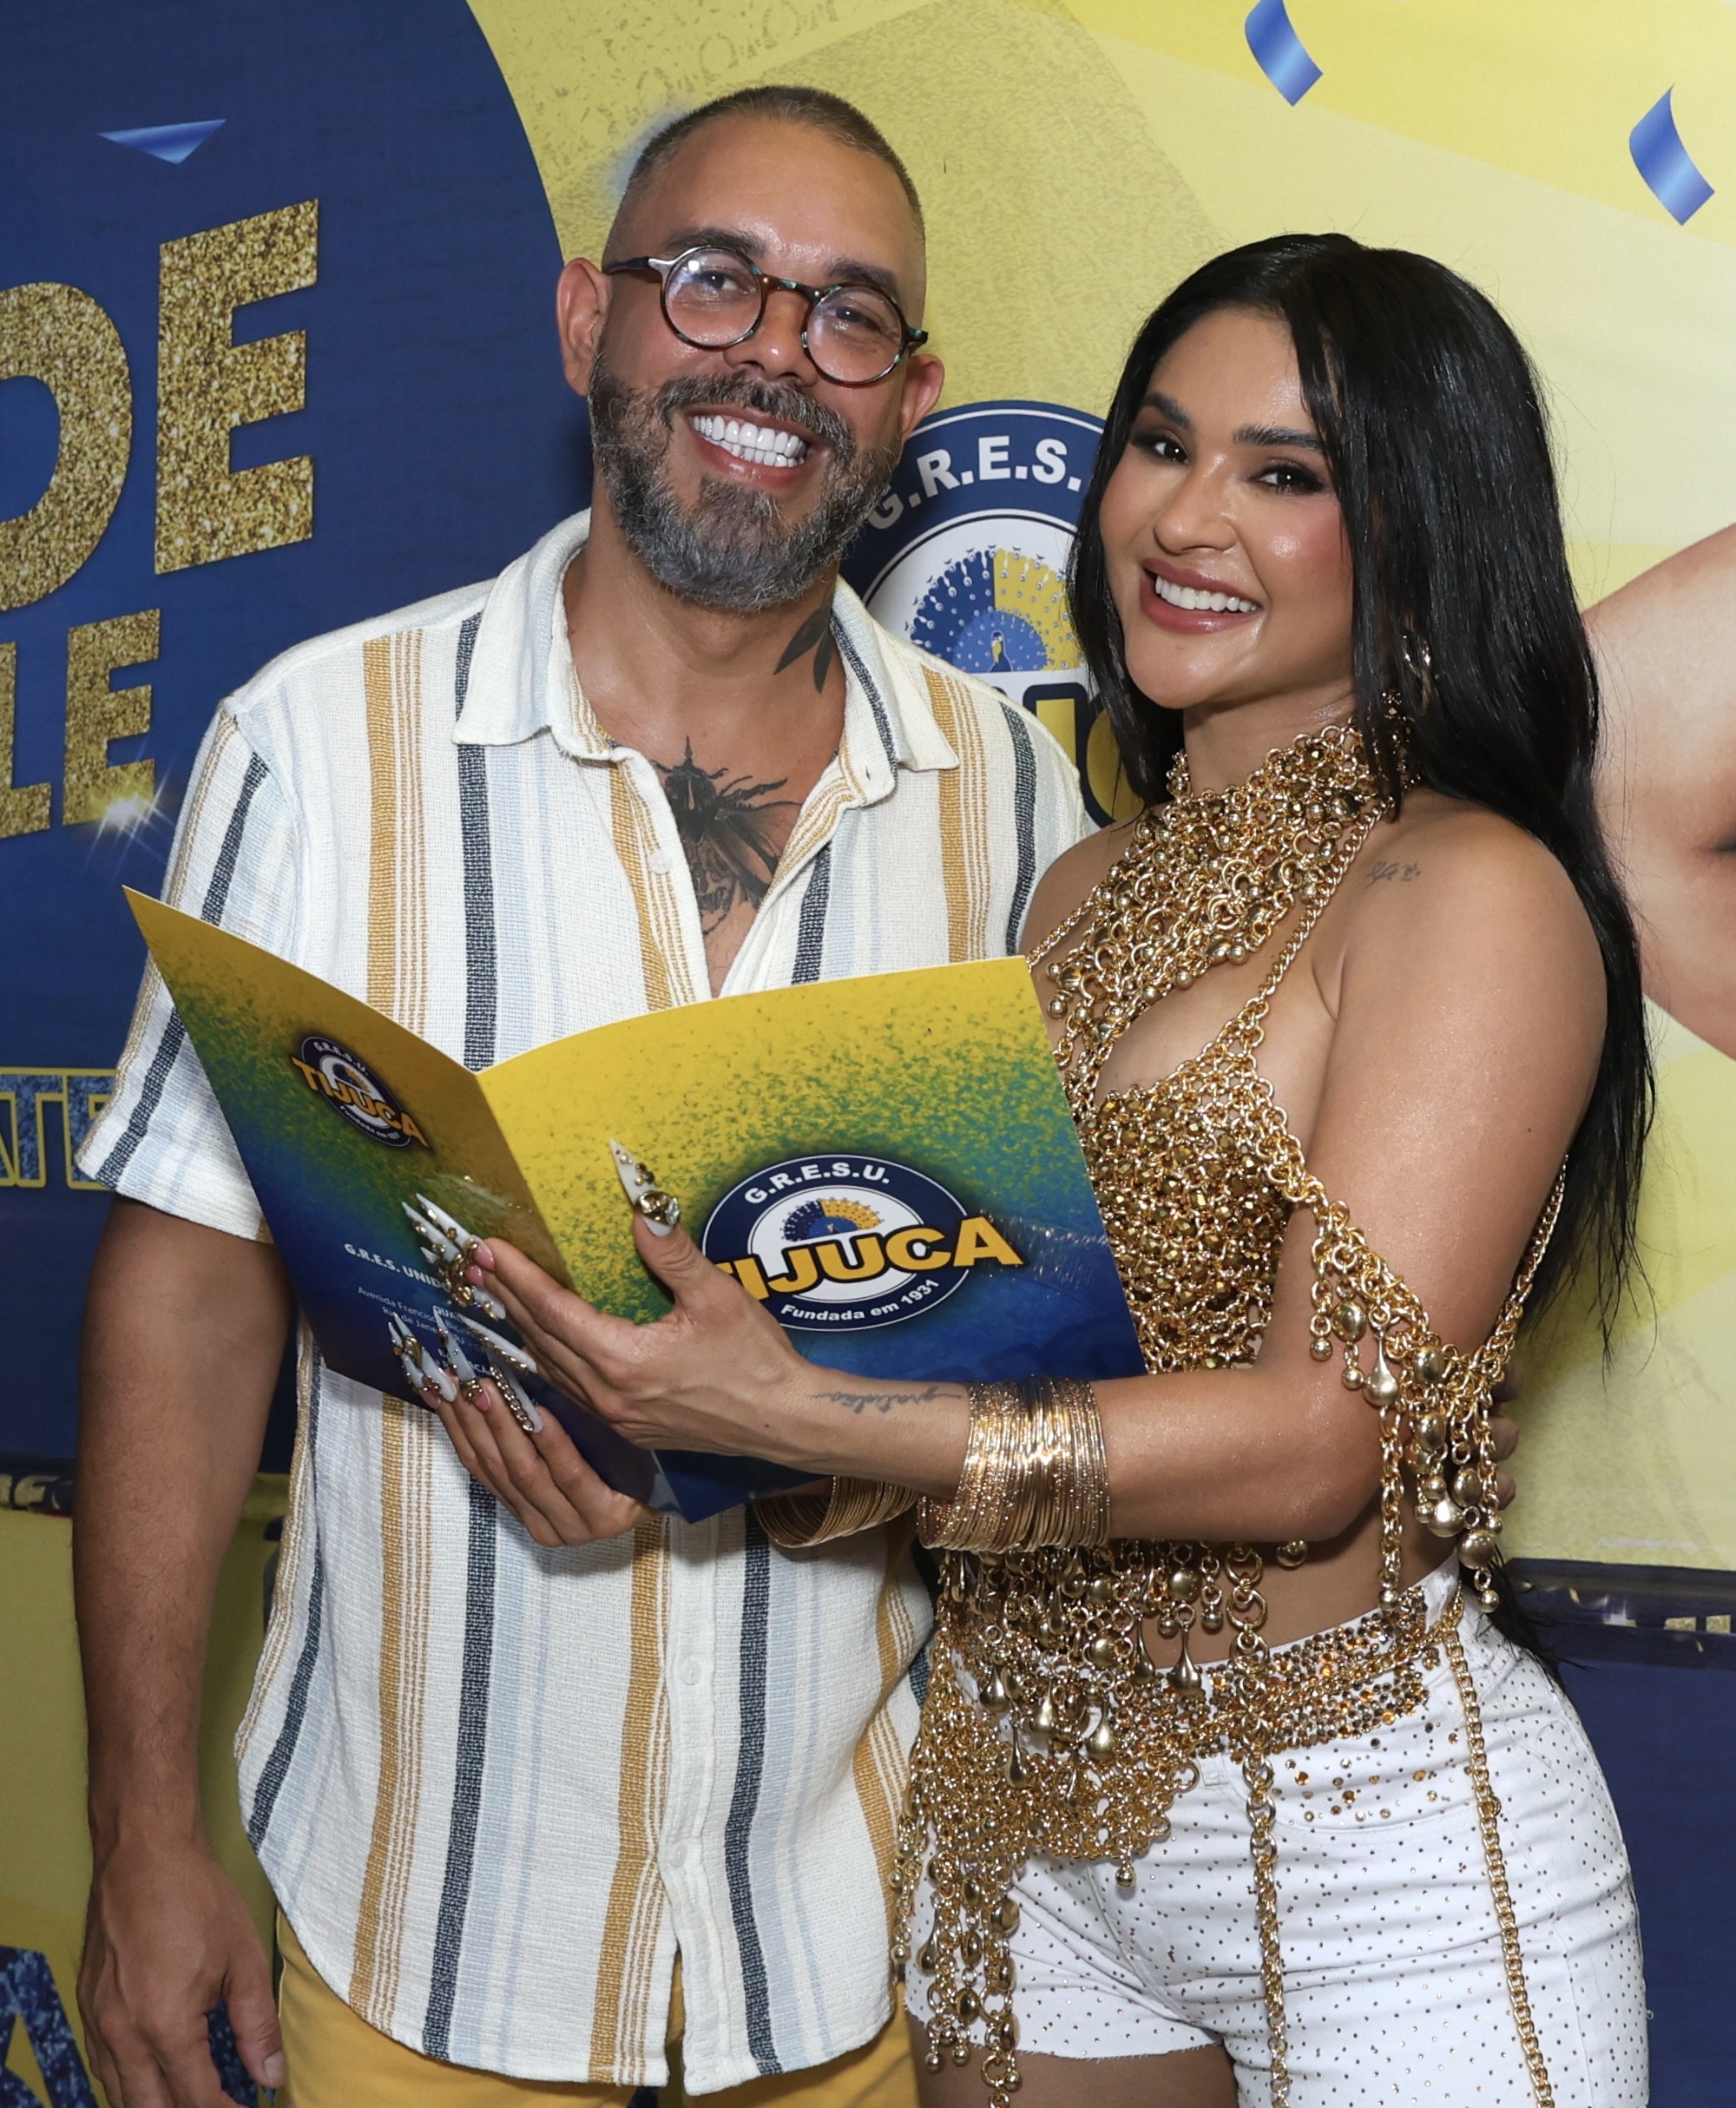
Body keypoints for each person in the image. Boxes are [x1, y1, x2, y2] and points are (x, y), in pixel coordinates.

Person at [440, 234, 1652, 2107]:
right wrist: (692, 1430)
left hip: (1363, 1836)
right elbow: (1004, 1366)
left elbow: (1321, 1440)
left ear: (1419, 531)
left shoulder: (1466, 889)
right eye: (1160, 444)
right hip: (1015, 1815)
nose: (1182, 516)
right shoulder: (1075, 888)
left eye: (1281, 472)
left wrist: (803, 1416)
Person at [71, 86, 1090, 2108]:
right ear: (581, 321)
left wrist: (777, 1439)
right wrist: (142, 1832)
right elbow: (183, 1305)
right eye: (712, 280)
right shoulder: (319, 746)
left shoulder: (1015, 798)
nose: (774, 351)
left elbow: (1047, 1355)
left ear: (909, 403)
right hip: (418, 1941)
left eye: (846, 313)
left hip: (857, 1951)